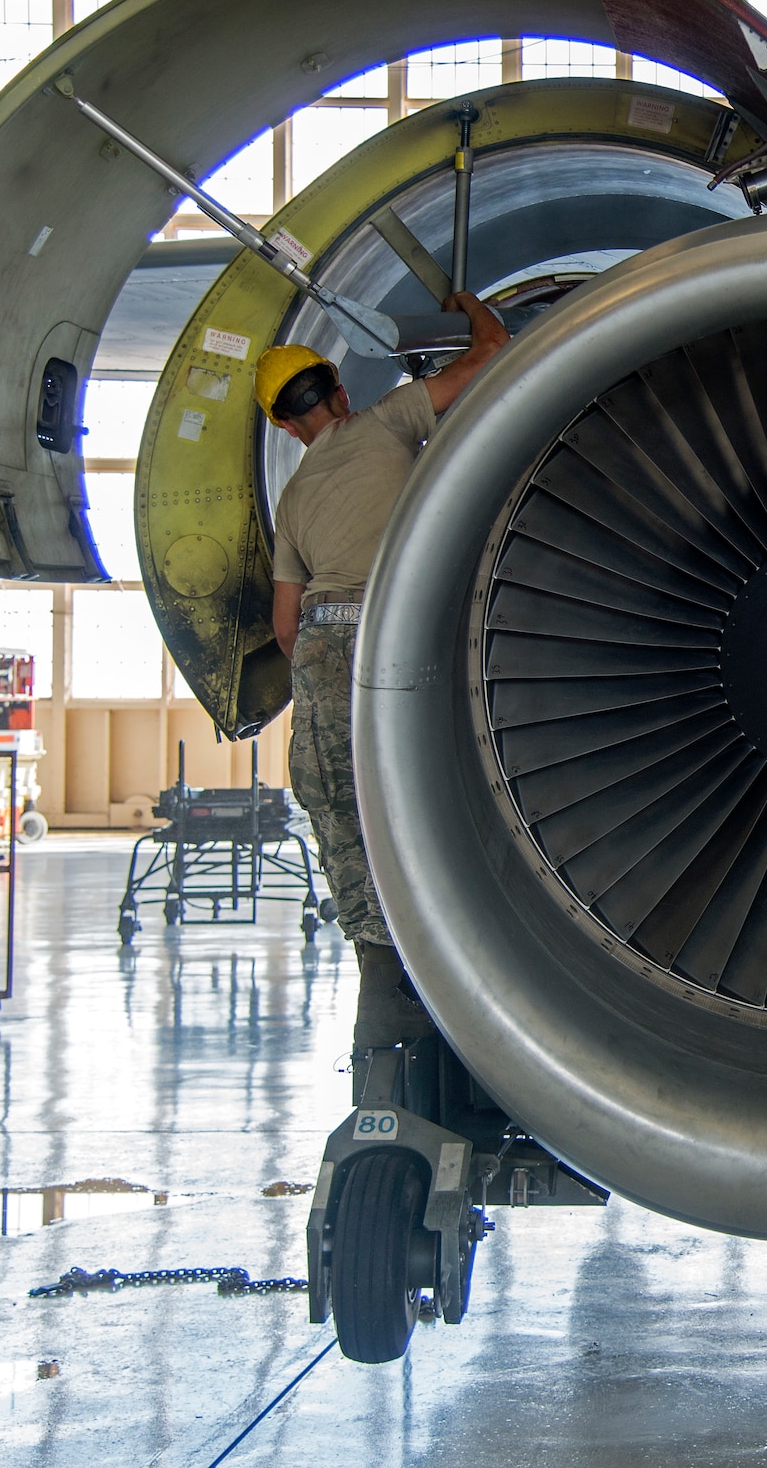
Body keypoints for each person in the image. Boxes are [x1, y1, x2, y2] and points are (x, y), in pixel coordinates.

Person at [263, 291, 509, 1063]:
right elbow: (492, 353)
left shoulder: (294, 499)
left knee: (340, 804)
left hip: (322, 645)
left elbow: (283, 623)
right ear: (339, 393)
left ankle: (382, 979)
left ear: (282, 424)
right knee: (438, 784)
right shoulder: (391, 419)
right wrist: (471, 305)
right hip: (396, 628)